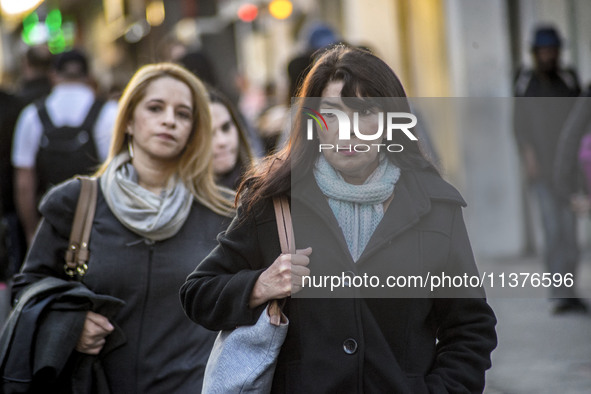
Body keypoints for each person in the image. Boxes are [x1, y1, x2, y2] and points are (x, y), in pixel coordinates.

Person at [181, 45, 497, 393]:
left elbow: (470, 329)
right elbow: (198, 293)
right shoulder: (273, 201)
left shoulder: (435, 206)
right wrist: (260, 284)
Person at [12, 62, 235, 393]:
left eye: (183, 114)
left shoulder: (224, 212)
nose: (169, 120)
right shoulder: (76, 202)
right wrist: (69, 325)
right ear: (129, 119)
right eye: (155, 108)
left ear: (193, 130)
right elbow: (27, 288)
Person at [11, 49, 118, 245]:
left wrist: (31, 231)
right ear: (89, 76)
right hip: (100, 228)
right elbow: (118, 173)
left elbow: (24, 183)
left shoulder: (31, 116)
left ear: (53, 75)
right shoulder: (110, 113)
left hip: (49, 228)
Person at [513, 26, 586, 314]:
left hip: (569, 173)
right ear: (535, 53)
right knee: (553, 231)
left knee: (570, 234)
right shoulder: (526, 84)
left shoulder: (569, 81)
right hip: (543, 172)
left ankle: (570, 291)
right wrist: (529, 157)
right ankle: (558, 293)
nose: (548, 56)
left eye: (552, 50)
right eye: (543, 51)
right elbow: (519, 127)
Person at [208, 88, 254, 190]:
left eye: (226, 127)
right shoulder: (181, 203)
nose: (222, 141)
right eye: (209, 134)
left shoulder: (265, 187)